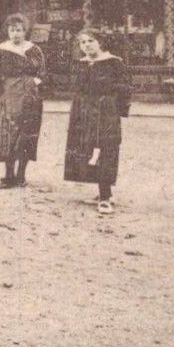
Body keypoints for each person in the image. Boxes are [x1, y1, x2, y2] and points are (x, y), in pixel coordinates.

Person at [63, 31, 132, 215]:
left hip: (106, 110)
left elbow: (125, 87)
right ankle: (102, 191)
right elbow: (78, 87)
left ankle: (105, 196)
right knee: (88, 148)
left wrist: (119, 109)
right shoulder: (81, 63)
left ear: (100, 42)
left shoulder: (113, 62)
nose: (86, 45)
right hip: (85, 110)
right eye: (82, 42)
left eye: (90, 41)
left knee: (105, 148)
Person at [0, 14, 45, 188]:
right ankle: (8, 175)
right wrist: (1, 95)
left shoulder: (34, 49)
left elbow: (43, 72)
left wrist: (35, 83)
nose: (16, 34)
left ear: (25, 31)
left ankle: (21, 174)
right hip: (10, 94)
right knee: (8, 133)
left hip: (30, 95)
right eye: (12, 30)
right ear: (7, 31)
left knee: (27, 132)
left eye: (19, 30)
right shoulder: (1, 50)